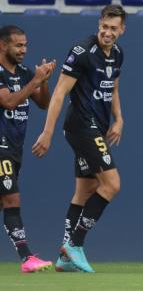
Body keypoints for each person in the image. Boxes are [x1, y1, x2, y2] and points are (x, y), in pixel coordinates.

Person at [32, 4, 127, 273]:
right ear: (99, 24)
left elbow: (113, 86)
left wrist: (119, 118)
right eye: (104, 27)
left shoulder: (117, 54)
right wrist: (47, 133)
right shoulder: (82, 51)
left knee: (85, 190)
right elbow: (60, 93)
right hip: (82, 126)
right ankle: (75, 243)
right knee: (112, 184)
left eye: (113, 28)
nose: (107, 33)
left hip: (97, 125)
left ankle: (64, 258)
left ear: (122, 30)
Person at [0, 25, 55, 273]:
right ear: (3, 45)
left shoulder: (23, 72)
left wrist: (43, 82)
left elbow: (43, 103)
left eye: (25, 45)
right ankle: (27, 258)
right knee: (12, 199)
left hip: (14, 148)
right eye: (18, 45)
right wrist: (35, 79)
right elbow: (9, 102)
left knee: (5, 202)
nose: (24, 50)